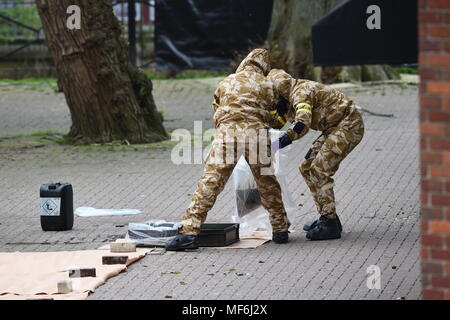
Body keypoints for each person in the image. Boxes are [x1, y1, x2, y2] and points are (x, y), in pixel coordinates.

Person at [166, 49, 291, 251]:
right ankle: (280, 229)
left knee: (210, 182)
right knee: (267, 182)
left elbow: (217, 109)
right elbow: (273, 121)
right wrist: (281, 115)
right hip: (255, 136)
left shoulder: (226, 81)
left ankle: (189, 233)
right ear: (264, 67)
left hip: (227, 135)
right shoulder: (268, 85)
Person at [268, 69, 365, 240]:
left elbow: (301, 125)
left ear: (279, 91)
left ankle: (330, 222)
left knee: (319, 170)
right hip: (333, 128)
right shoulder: (287, 97)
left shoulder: (301, 93)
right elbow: (278, 122)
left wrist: (279, 143)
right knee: (306, 167)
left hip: (348, 125)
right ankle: (326, 216)